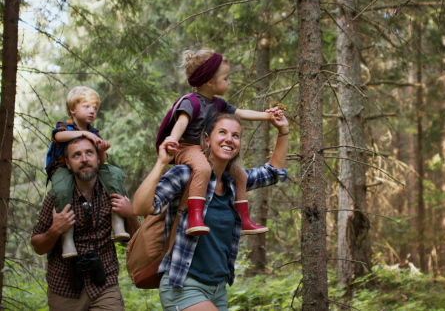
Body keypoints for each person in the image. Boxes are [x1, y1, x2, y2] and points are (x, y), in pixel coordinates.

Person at [133, 112, 290, 311]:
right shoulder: (185, 175)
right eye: (222, 132)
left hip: (218, 290)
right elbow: (140, 207)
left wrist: (283, 131)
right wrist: (161, 162)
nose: (229, 139)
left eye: (235, 135)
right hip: (184, 286)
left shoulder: (235, 184)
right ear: (207, 140)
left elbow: (272, 173)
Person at [161, 49, 283, 237]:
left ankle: (244, 220)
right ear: (210, 81)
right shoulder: (191, 101)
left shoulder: (218, 104)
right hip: (187, 147)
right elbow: (182, 122)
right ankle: (195, 218)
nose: (229, 82)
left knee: (239, 174)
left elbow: (242, 113)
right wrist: (173, 140)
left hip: (205, 148)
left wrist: (268, 116)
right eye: (226, 78)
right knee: (202, 169)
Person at [32, 137, 141, 310]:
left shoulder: (113, 191)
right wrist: (55, 230)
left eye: (89, 153)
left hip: (105, 284)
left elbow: (137, 239)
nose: (84, 159)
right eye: (77, 155)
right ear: (68, 163)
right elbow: (37, 246)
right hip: (64, 288)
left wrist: (131, 215)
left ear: (98, 158)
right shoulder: (56, 198)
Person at [46, 86, 129, 259]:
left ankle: (117, 221)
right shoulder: (65, 126)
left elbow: (101, 162)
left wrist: (101, 150)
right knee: (61, 191)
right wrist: (83, 133)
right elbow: (58, 137)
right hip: (62, 169)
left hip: (87, 168)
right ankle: (67, 238)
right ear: (72, 109)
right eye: (86, 106)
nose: (92, 111)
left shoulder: (93, 131)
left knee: (114, 173)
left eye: (94, 108)